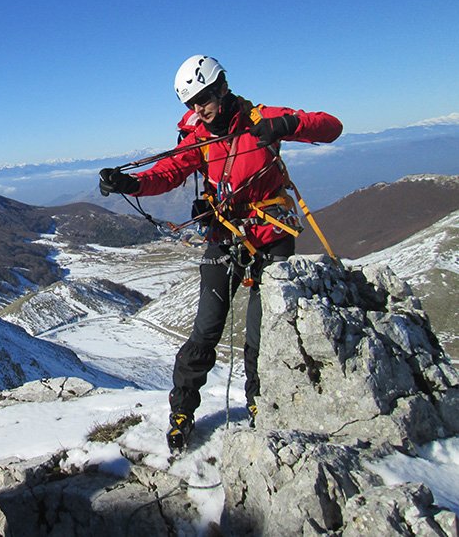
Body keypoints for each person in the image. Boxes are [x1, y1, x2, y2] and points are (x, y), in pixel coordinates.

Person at [99, 55, 342, 450]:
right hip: (225, 234)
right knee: (206, 329)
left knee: (262, 332)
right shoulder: (199, 137)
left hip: (270, 233)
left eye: (204, 99)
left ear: (222, 87)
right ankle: (182, 411)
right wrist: (131, 184)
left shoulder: (261, 117)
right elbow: (170, 171)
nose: (198, 109)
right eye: (191, 104)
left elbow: (332, 127)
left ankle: (260, 403)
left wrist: (288, 125)